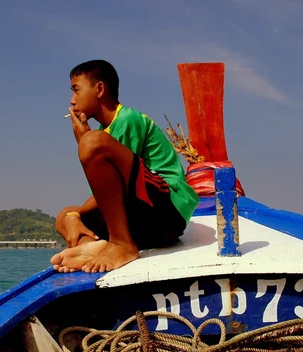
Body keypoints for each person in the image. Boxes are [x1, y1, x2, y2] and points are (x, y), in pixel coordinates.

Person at [50, 60, 199, 273]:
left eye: (76, 90)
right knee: (63, 215)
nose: (72, 101)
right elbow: (105, 193)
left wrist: (84, 140)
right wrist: (71, 216)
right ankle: (91, 247)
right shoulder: (103, 133)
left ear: (100, 88)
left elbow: (123, 183)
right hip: (140, 221)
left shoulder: (127, 120)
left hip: (167, 211)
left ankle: (122, 244)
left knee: (92, 145)